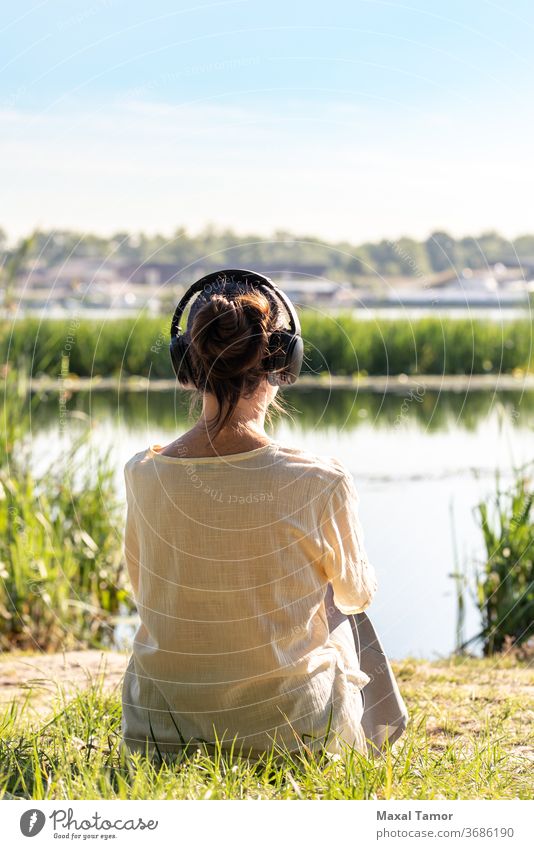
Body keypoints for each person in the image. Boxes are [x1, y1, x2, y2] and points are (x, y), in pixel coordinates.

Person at [121, 269, 383, 761]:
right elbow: (356, 596)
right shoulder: (321, 480)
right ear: (284, 360)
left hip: (157, 732)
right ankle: (381, 742)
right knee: (343, 612)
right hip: (292, 738)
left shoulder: (142, 473)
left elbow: (143, 588)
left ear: (187, 365)